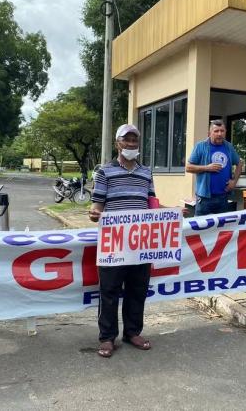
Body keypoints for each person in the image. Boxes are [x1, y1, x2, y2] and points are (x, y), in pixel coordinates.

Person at [89, 124, 155, 358]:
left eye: (134, 140)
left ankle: (132, 332)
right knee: (109, 290)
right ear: (117, 143)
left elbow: (152, 205)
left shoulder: (146, 172)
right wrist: (94, 213)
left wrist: (174, 212)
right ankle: (107, 337)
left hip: (140, 244)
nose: (130, 144)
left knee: (137, 289)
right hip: (113, 243)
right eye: (126, 140)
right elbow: (97, 206)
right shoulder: (104, 172)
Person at [186, 119, 242, 216]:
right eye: (216, 131)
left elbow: (239, 163)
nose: (219, 134)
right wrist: (207, 168)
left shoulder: (228, 147)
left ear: (225, 132)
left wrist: (234, 182)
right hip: (204, 199)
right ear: (209, 133)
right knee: (200, 228)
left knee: (222, 229)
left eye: (222, 131)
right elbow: (188, 168)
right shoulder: (200, 146)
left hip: (223, 197)